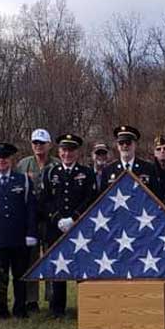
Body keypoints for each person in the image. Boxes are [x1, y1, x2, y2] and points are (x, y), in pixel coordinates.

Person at [0, 142, 39, 319]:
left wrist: (31, 233)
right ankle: (1, 309)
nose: (1, 161)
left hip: (19, 237)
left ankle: (20, 309)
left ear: (11, 160)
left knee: (20, 275)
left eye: (5, 158)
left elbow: (30, 209)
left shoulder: (23, 180)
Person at [39, 133, 98, 319]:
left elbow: (90, 199)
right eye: (64, 150)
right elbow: (45, 200)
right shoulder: (51, 172)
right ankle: (57, 309)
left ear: (78, 152)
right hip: (56, 228)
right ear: (59, 151)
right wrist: (57, 218)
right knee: (59, 268)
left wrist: (74, 218)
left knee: (83, 267)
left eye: (71, 150)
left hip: (80, 228)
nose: (67, 154)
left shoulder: (87, 173)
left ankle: (88, 307)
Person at [16, 128, 54, 313]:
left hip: (50, 219)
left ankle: (53, 296)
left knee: (50, 256)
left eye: (42, 143)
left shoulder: (56, 164)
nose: (38, 146)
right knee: (30, 259)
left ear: (49, 145)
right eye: (35, 143)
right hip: (29, 219)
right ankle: (31, 300)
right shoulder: (23, 165)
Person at [98, 125, 158, 192]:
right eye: (121, 143)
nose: (125, 146)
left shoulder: (148, 168)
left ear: (135, 144)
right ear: (117, 146)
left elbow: (155, 197)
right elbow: (103, 199)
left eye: (128, 143)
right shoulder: (108, 171)